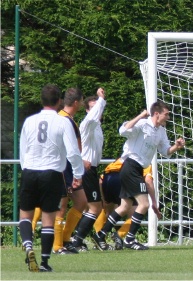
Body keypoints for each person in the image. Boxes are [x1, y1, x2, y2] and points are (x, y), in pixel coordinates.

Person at [93, 100, 185, 250]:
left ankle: (101, 234)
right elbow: (123, 130)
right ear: (157, 114)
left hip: (136, 169)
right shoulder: (143, 124)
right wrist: (141, 115)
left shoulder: (161, 131)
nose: (168, 117)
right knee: (144, 204)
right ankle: (130, 239)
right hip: (130, 166)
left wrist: (176, 146)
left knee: (124, 207)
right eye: (166, 114)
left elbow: (165, 152)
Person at [18, 84, 85, 272]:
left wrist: (27, 169)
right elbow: (73, 152)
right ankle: (45, 262)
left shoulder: (29, 121)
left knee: (25, 214)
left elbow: (23, 150)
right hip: (52, 173)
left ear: (42, 100)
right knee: (48, 218)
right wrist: (78, 174)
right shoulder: (63, 122)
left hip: (30, 170)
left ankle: (28, 246)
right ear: (59, 102)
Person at [62, 88, 107, 253]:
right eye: (93, 107)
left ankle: (73, 239)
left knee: (86, 206)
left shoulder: (96, 126)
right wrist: (101, 100)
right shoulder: (88, 124)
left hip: (90, 169)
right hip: (85, 169)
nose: (97, 110)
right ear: (88, 110)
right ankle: (75, 239)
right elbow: (93, 117)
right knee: (95, 208)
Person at [53, 87, 91, 254]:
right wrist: (80, 164)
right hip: (63, 168)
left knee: (81, 202)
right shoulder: (63, 120)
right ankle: (57, 245)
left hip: (70, 167)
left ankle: (66, 239)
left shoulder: (68, 119)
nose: (82, 104)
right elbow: (72, 147)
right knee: (61, 206)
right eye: (82, 101)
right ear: (76, 102)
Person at [93, 158, 161, 250]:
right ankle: (122, 236)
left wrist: (103, 198)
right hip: (123, 178)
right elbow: (148, 180)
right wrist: (154, 201)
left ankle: (100, 237)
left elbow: (101, 180)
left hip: (107, 179)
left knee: (111, 210)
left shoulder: (120, 160)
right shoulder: (142, 159)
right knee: (138, 209)